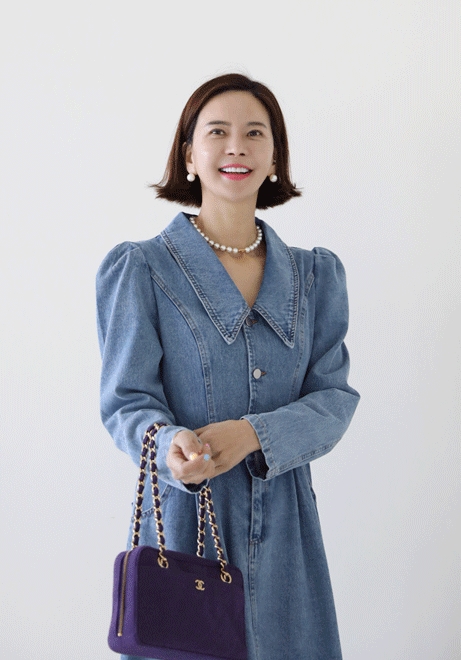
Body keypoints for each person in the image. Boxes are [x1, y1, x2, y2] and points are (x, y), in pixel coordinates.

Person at [97, 73, 360, 660]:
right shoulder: (141, 270)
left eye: (254, 133)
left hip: (289, 541)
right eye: (217, 132)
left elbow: (334, 399)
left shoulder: (315, 278)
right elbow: (126, 401)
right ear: (189, 156)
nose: (236, 146)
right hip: (183, 536)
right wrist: (169, 445)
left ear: (275, 158)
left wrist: (253, 435)